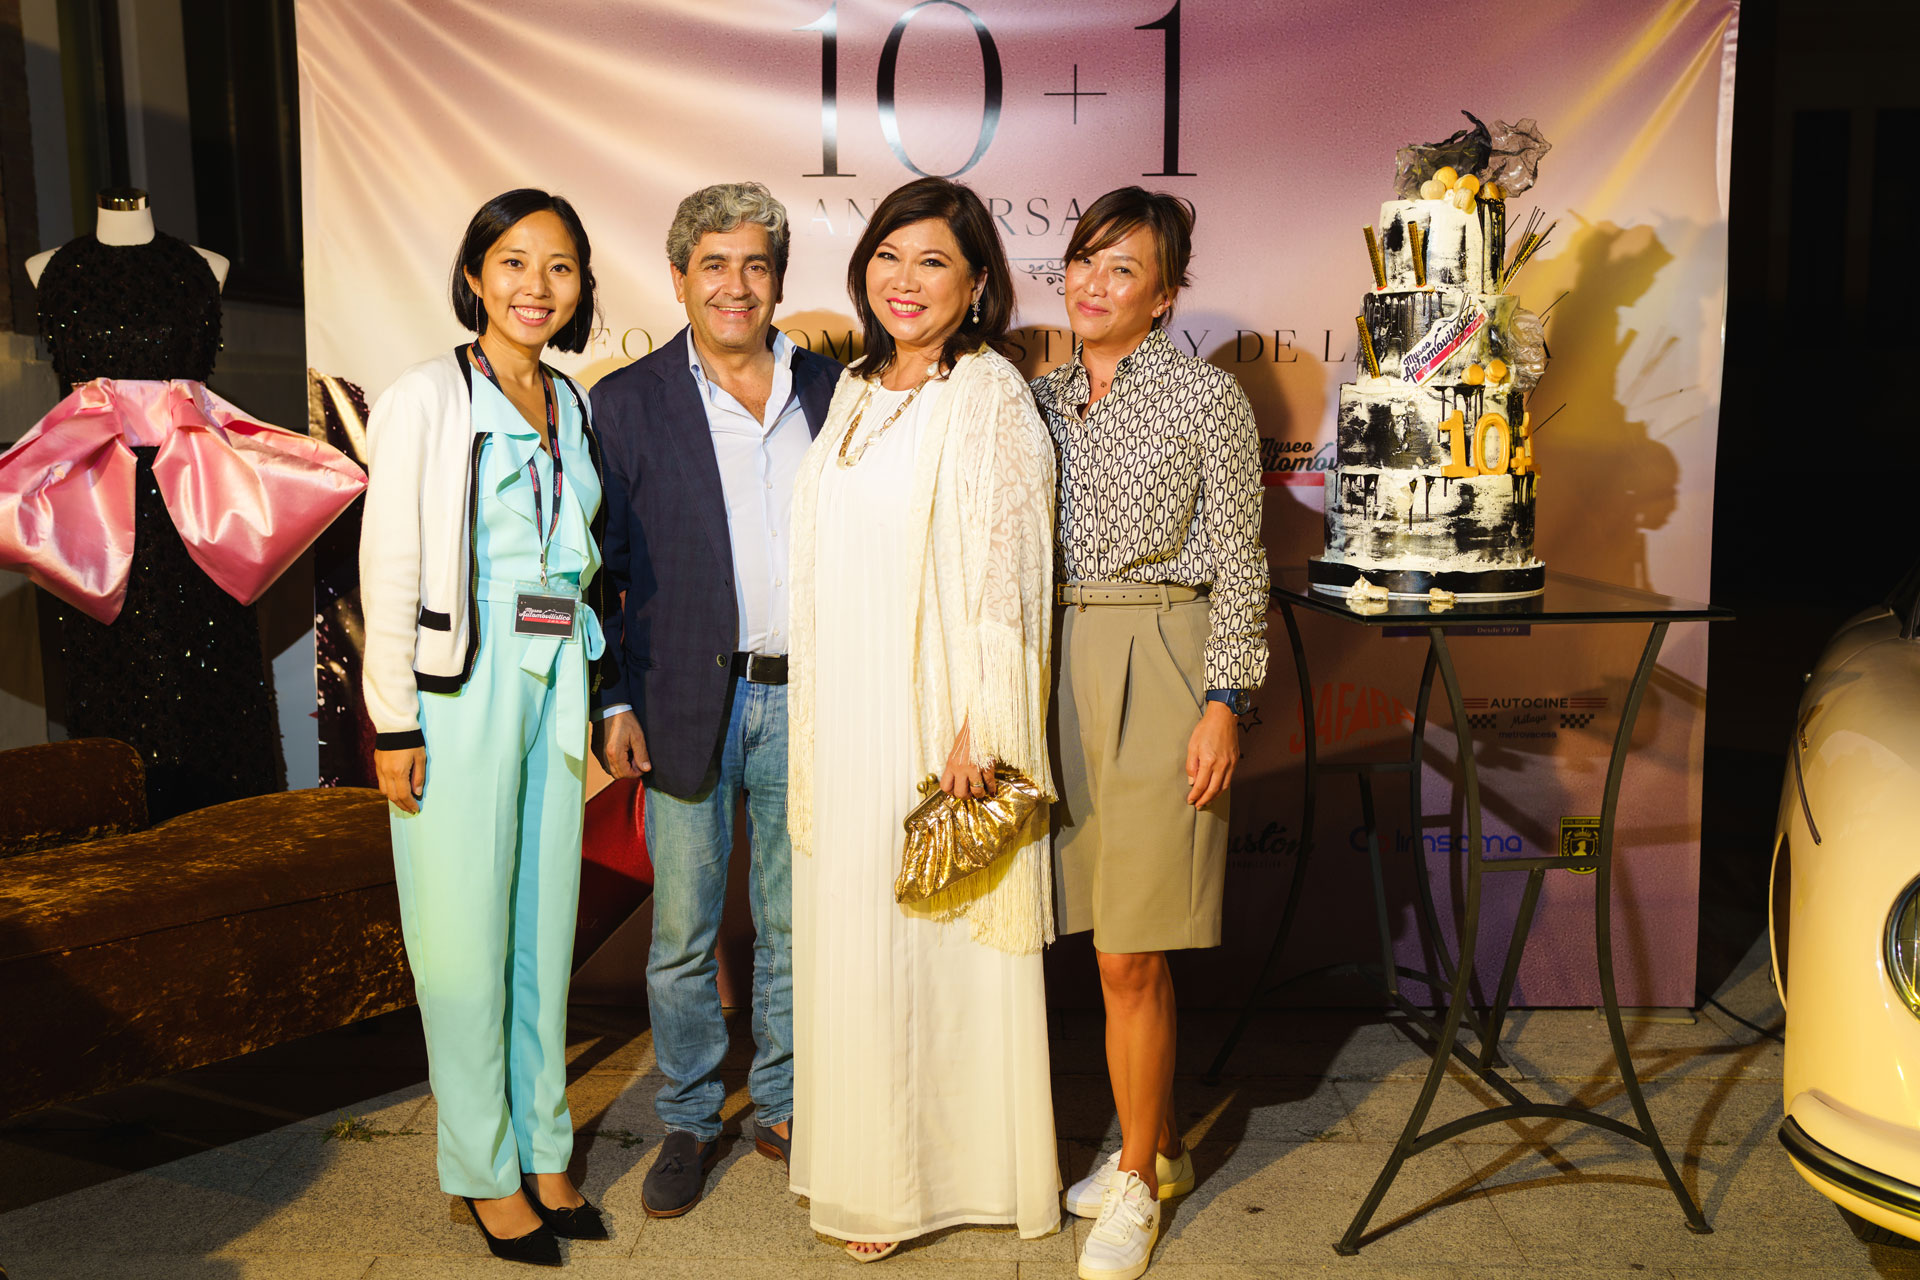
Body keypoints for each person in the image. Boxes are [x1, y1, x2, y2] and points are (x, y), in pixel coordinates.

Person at [787, 176, 1061, 1262]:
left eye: (934, 261)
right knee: (860, 941)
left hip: (932, 713)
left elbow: (1010, 570)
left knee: (927, 945)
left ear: (978, 281)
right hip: (847, 705)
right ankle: (863, 1160)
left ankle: (924, 1182)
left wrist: (981, 721)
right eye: (889, 257)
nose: (905, 280)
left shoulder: (989, 392)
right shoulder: (857, 387)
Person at [362, 189, 610, 1267]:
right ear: (474, 275)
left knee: (543, 925)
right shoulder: (425, 395)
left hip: (557, 671)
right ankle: (480, 1167)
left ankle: (544, 1146)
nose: (535, 287)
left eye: (559, 267)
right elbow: (389, 563)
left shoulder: (569, 398)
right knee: (462, 939)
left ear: (581, 287)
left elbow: (578, 552)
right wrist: (392, 722)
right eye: (513, 262)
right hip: (459, 685)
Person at [589, 182, 842, 1218]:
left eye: (755, 265)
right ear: (679, 277)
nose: (735, 286)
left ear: (778, 278)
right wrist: (611, 700)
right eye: (714, 265)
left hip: (812, 697)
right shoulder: (624, 402)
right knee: (684, 933)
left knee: (795, 925)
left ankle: (784, 1105)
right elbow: (594, 572)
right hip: (683, 699)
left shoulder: (836, 391)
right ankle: (690, 1116)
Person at [1031, 186, 1268, 1280]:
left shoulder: (1208, 398)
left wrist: (1225, 701)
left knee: (1133, 944)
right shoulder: (1034, 398)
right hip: (1053, 663)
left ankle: (1134, 1179)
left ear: (1166, 295)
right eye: (1085, 260)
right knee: (1094, 929)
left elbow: (1242, 559)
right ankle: (1159, 1143)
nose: (1094, 283)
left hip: (1164, 657)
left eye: (1123, 268)